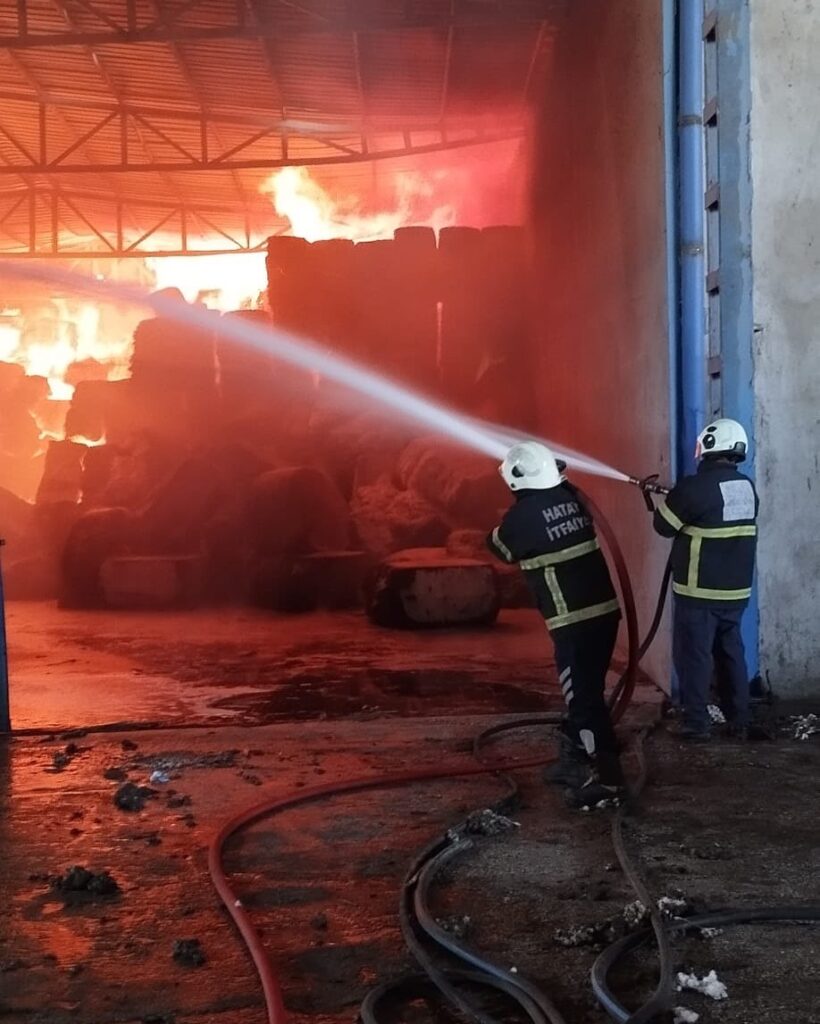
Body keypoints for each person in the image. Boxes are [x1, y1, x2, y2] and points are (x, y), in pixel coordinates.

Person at [486, 440, 624, 808]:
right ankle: (576, 760)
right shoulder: (573, 499)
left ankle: (606, 781)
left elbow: (498, 547)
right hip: (604, 614)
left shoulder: (522, 518)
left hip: (572, 622)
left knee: (583, 701)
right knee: (588, 694)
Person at [653, 418, 758, 741]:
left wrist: (675, 498)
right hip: (736, 592)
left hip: (698, 592)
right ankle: (740, 719)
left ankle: (697, 724)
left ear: (709, 447)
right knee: (731, 653)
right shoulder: (746, 487)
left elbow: (663, 526)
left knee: (695, 656)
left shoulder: (693, 488)